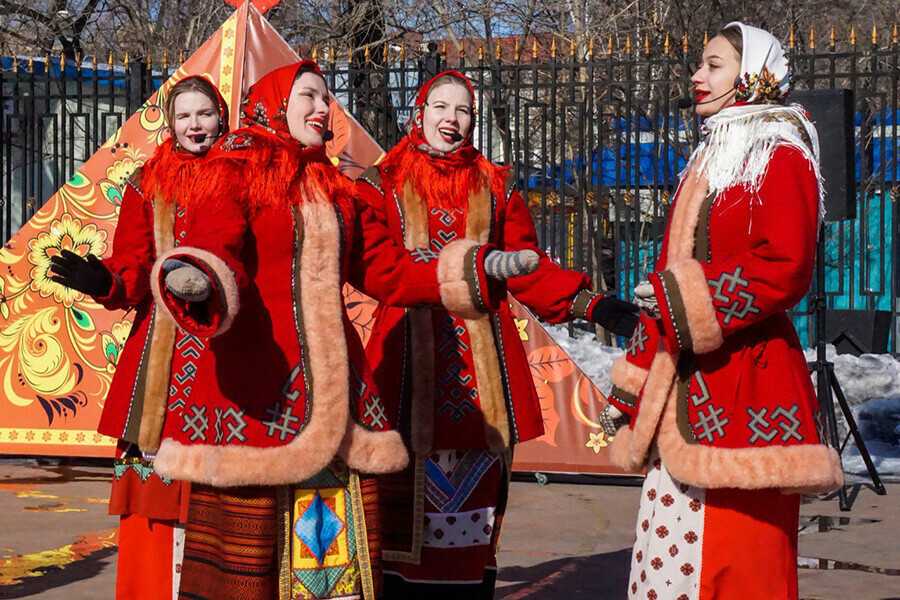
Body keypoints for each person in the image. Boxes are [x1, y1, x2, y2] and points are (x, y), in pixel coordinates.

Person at [144, 61, 535, 600]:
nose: (323, 109)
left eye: (326, 99)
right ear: (276, 104)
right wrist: (197, 273)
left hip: (338, 400)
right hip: (259, 398)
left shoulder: (339, 190)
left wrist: (475, 267)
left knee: (331, 569)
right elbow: (216, 239)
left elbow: (390, 271)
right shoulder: (236, 170)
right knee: (247, 570)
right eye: (309, 97)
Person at [354, 70, 640, 599]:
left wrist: (592, 303)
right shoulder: (381, 182)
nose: (451, 119)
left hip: (479, 366)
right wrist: (461, 270)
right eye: (440, 107)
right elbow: (377, 267)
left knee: (472, 512)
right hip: (405, 368)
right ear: (419, 113)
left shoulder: (495, 186)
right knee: (396, 515)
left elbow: (528, 267)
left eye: (462, 110)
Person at [601, 22, 844, 600]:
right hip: (685, 385)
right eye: (699, 64)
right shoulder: (714, 152)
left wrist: (683, 297)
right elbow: (671, 285)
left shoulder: (778, 151)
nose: (696, 75)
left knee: (740, 562)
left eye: (712, 64)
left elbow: (784, 265)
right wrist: (633, 385)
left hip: (747, 383)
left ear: (754, 72)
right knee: (670, 565)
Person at [48, 75, 229, 599]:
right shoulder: (148, 183)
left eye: (205, 114)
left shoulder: (246, 179)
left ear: (221, 117)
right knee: (156, 490)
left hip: (228, 345)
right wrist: (107, 281)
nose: (196, 125)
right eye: (185, 115)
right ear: (171, 124)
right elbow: (133, 261)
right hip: (164, 356)